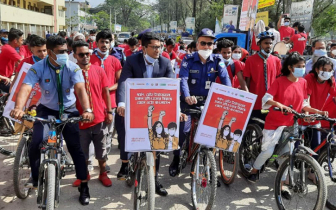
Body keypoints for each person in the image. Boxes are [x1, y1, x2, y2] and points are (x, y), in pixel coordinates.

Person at [10, 35, 94, 206]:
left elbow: (80, 90)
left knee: (75, 148)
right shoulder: (37, 68)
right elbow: (25, 88)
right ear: (49, 52)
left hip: (69, 112)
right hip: (46, 111)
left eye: (66, 51)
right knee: (36, 143)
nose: (65, 54)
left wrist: (87, 110)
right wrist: (19, 108)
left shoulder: (73, 68)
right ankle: (35, 177)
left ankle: (84, 186)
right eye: (60, 52)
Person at [246, 53, 324, 190]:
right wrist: (279, 105)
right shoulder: (279, 81)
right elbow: (266, 98)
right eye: (298, 66)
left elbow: (304, 102)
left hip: (291, 124)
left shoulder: (303, 82)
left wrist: (314, 112)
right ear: (290, 67)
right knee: (268, 152)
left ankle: (281, 185)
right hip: (274, 123)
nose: (302, 69)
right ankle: (254, 170)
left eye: (303, 66)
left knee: (286, 155)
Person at [116, 32, 174, 196]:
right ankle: (126, 162)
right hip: (134, 104)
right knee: (122, 125)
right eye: (154, 47)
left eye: (160, 47)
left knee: (157, 142)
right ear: (143, 48)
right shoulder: (132, 60)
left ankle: (154, 180)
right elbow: (123, 82)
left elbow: (171, 87)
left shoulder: (165, 61)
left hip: (156, 106)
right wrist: (122, 103)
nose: (158, 50)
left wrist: (176, 109)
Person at [169, 28, 232, 178]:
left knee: (213, 135)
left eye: (210, 44)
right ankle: (177, 158)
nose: (206, 47)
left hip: (209, 103)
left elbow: (226, 80)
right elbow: (183, 79)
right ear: (197, 45)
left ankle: (206, 162)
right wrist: (187, 96)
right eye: (203, 43)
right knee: (183, 131)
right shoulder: (188, 59)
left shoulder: (218, 60)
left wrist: (229, 96)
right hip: (189, 101)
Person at [71, 40, 113, 188]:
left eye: (87, 53)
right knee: (82, 152)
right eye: (81, 54)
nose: (85, 57)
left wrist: (109, 112)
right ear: (75, 56)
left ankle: (103, 173)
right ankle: (84, 175)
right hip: (80, 120)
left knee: (101, 151)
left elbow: (105, 92)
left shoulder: (99, 70)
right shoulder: (72, 71)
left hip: (100, 119)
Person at [91, 29, 122, 172]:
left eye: (107, 42)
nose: (104, 44)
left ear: (111, 44)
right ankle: (89, 161)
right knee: (92, 133)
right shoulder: (89, 59)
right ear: (96, 43)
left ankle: (104, 160)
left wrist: (107, 89)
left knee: (108, 134)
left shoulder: (114, 60)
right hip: (93, 103)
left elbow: (119, 81)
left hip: (111, 103)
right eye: (102, 41)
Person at [243, 31, 282, 126]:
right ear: (259, 44)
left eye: (270, 43)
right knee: (252, 127)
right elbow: (247, 81)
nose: (269, 45)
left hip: (271, 103)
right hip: (256, 102)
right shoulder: (250, 60)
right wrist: (247, 99)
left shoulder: (276, 60)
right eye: (266, 43)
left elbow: (279, 80)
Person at [304, 57, 335, 156]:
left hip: (317, 118)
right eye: (324, 69)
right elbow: (306, 98)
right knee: (297, 146)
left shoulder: (330, 80)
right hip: (303, 116)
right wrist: (307, 114)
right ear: (317, 69)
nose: (327, 72)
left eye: (329, 70)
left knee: (316, 148)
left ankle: (311, 171)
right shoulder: (309, 78)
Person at [0, 28, 23, 93]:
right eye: (21, 40)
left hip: (4, 78)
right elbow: (22, 61)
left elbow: (17, 63)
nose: (22, 42)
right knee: (18, 93)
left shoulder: (7, 47)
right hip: (3, 79)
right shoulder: (9, 49)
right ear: (15, 40)